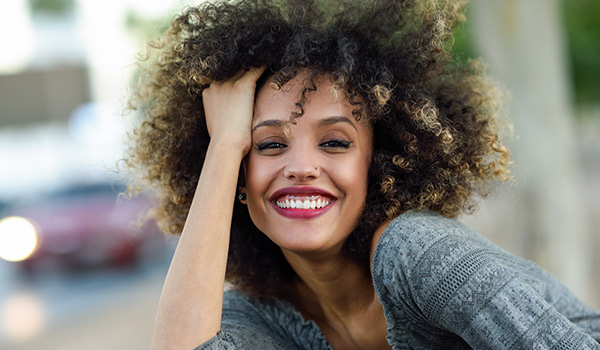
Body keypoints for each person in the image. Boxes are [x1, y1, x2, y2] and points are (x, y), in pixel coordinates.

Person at [125, 0, 600, 348]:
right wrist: (226, 144)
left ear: (378, 165)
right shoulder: (263, 321)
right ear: (239, 185)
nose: (303, 167)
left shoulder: (419, 255)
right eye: (269, 144)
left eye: (334, 142)